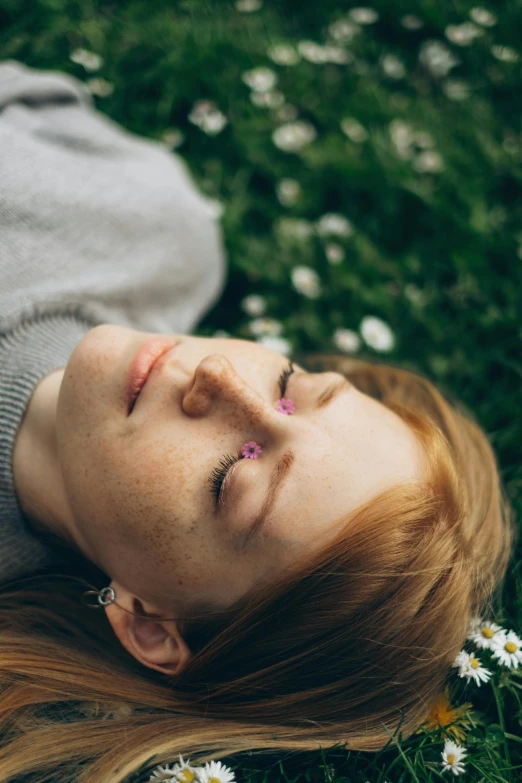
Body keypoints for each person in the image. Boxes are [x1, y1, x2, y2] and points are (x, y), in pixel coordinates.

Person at [0, 61, 516, 783]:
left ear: (149, 623)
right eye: (288, 385)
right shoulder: (162, 235)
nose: (219, 377)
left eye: (231, 473)